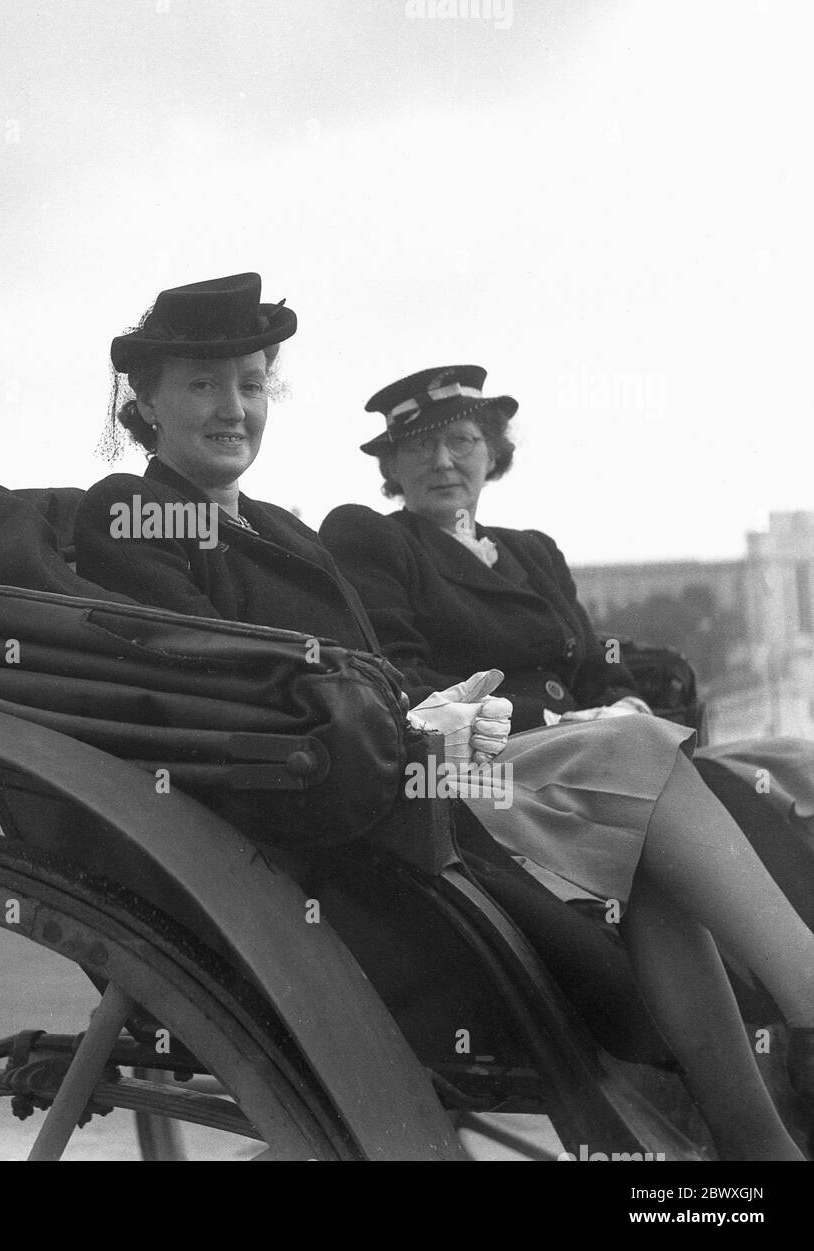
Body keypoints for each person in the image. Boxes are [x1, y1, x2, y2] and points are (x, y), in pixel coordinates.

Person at [76, 288, 811, 1159]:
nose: (233, 408)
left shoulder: (277, 527)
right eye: (202, 386)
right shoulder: (128, 513)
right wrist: (409, 722)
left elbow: (361, 667)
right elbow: (203, 683)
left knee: (659, 805)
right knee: (636, 755)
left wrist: (439, 706)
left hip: (388, 777)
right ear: (145, 404)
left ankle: (762, 1152)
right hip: (317, 816)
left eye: (249, 383)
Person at [319, 365, 814, 1158]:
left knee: (786, 762)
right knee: (643, 758)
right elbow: (403, 683)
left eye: (462, 439)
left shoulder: (531, 552)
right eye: (419, 447)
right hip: (474, 767)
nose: (443, 460)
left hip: (591, 757)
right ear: (391, 466)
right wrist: (573, 720)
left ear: (491, 452)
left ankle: (763, 1132)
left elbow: (591, 667)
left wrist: (623, 703)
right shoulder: (372, 540)